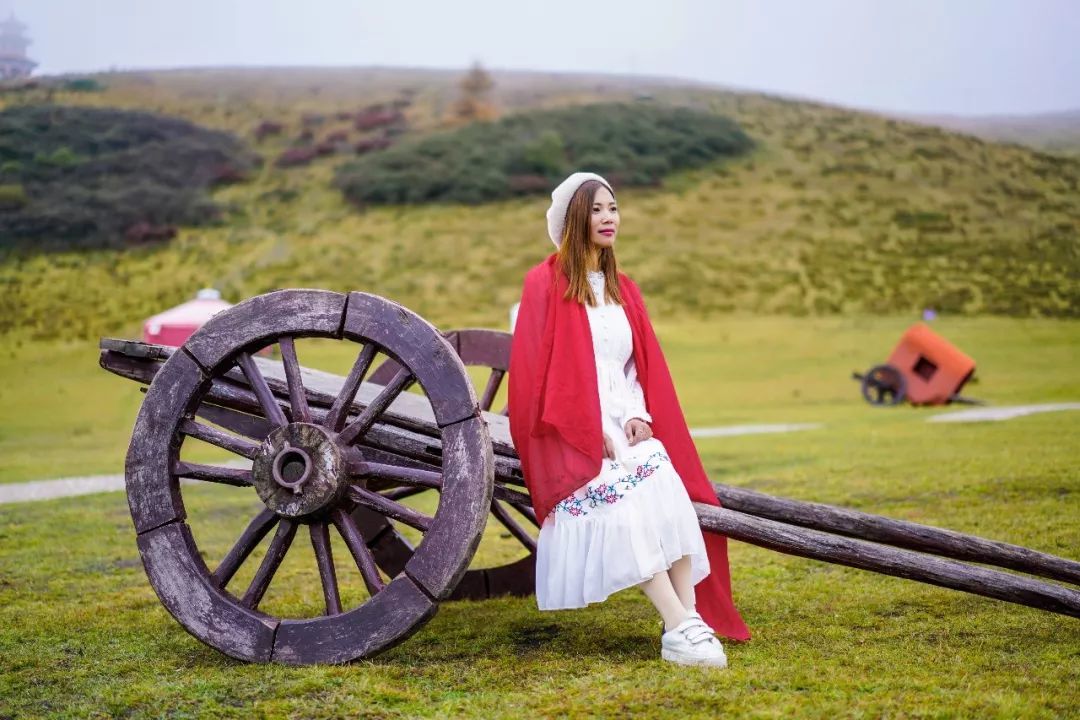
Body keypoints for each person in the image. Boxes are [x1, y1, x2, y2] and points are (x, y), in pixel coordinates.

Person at [508, 171, 750, 667]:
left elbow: (636, 366)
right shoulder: (544, 284)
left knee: (665, 490)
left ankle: (687, 621)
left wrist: (639, 414)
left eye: (613, 208)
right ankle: (678, 624)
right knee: (623, 504)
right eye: (596, 209)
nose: (608, 218)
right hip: (567, 432)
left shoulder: (623, 291)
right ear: (575, 219)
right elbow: (535, 375)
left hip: (624, 422)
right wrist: (585, 428)